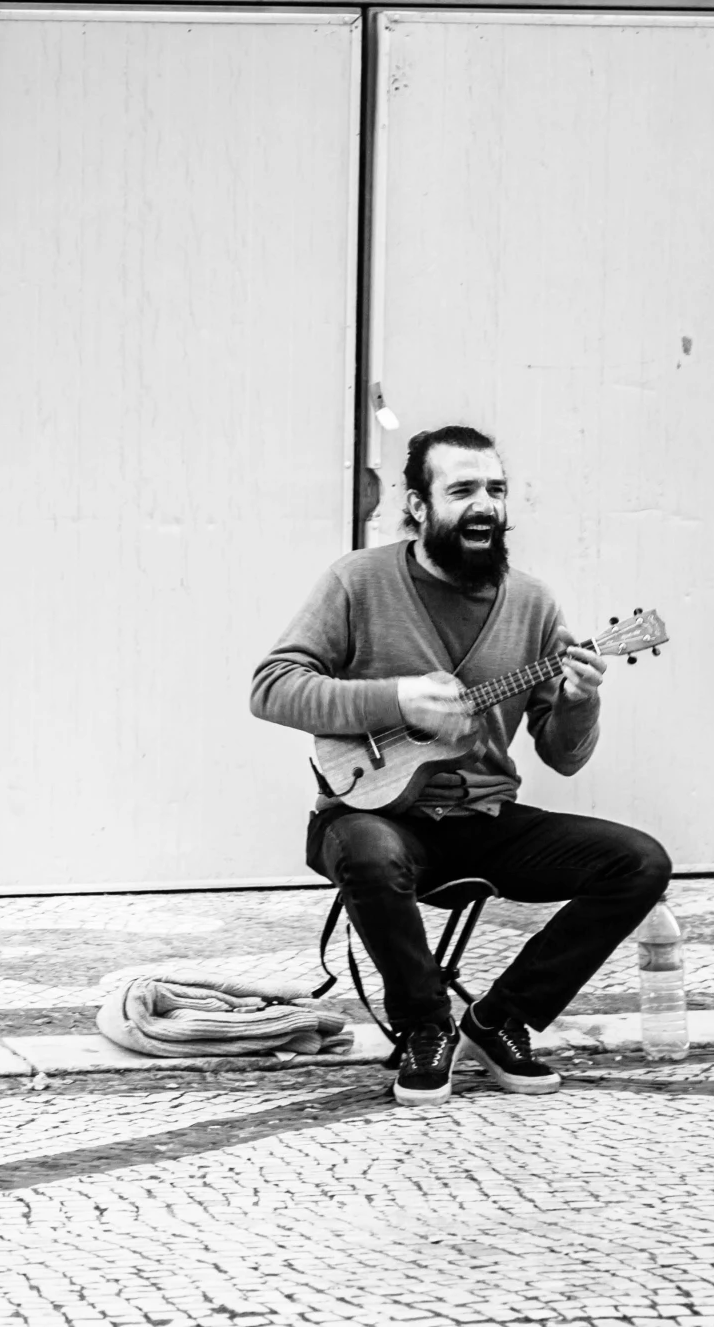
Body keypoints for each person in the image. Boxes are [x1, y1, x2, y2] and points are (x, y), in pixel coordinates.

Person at [249, 425, 670, 1105]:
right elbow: (271, 687)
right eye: (463, 490)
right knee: (368, 852)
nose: (484, 506)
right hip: (371, 814)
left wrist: (578, 701)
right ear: (417, 506)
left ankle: (500, 1018)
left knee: (638, 862)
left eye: (496, 491)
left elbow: (562, 757)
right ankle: (423, 1026)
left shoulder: (531, 603)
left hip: (482, 818)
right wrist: (394, 698)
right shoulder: (356, 582)